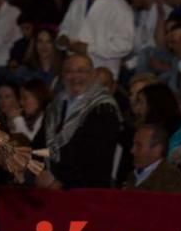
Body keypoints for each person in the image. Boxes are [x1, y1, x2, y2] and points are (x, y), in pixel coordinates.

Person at [38, 54, 121, 189]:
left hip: (86, 191)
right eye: (69, 71)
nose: (75, 77)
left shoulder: (104, 109)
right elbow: (41, 146)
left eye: (81, 71)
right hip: (50, 187)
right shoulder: (55, 107)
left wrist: (61, 183)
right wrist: (40, 171)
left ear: (93, 75)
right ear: (62, 75)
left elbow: (96, 158)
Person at [57, 0, 135, 77]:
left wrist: (90, 48)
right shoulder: (78, 0)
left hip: (101, 72)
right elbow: (65, 26)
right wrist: (63, 37)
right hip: (74, 69)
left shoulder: (119, 6)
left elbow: (124, 45)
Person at [124, 124, 181, 193]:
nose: (132, 150)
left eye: (139, 145)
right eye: (133, 144)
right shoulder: (133, 176)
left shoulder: (172, 180)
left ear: (156, 150)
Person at [8, 79, 51, 150]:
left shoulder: (48, 119)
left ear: (38, 98)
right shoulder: (30, 119)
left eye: (25, 98)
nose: (21, 103)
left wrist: (17, 119)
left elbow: (31, 144)